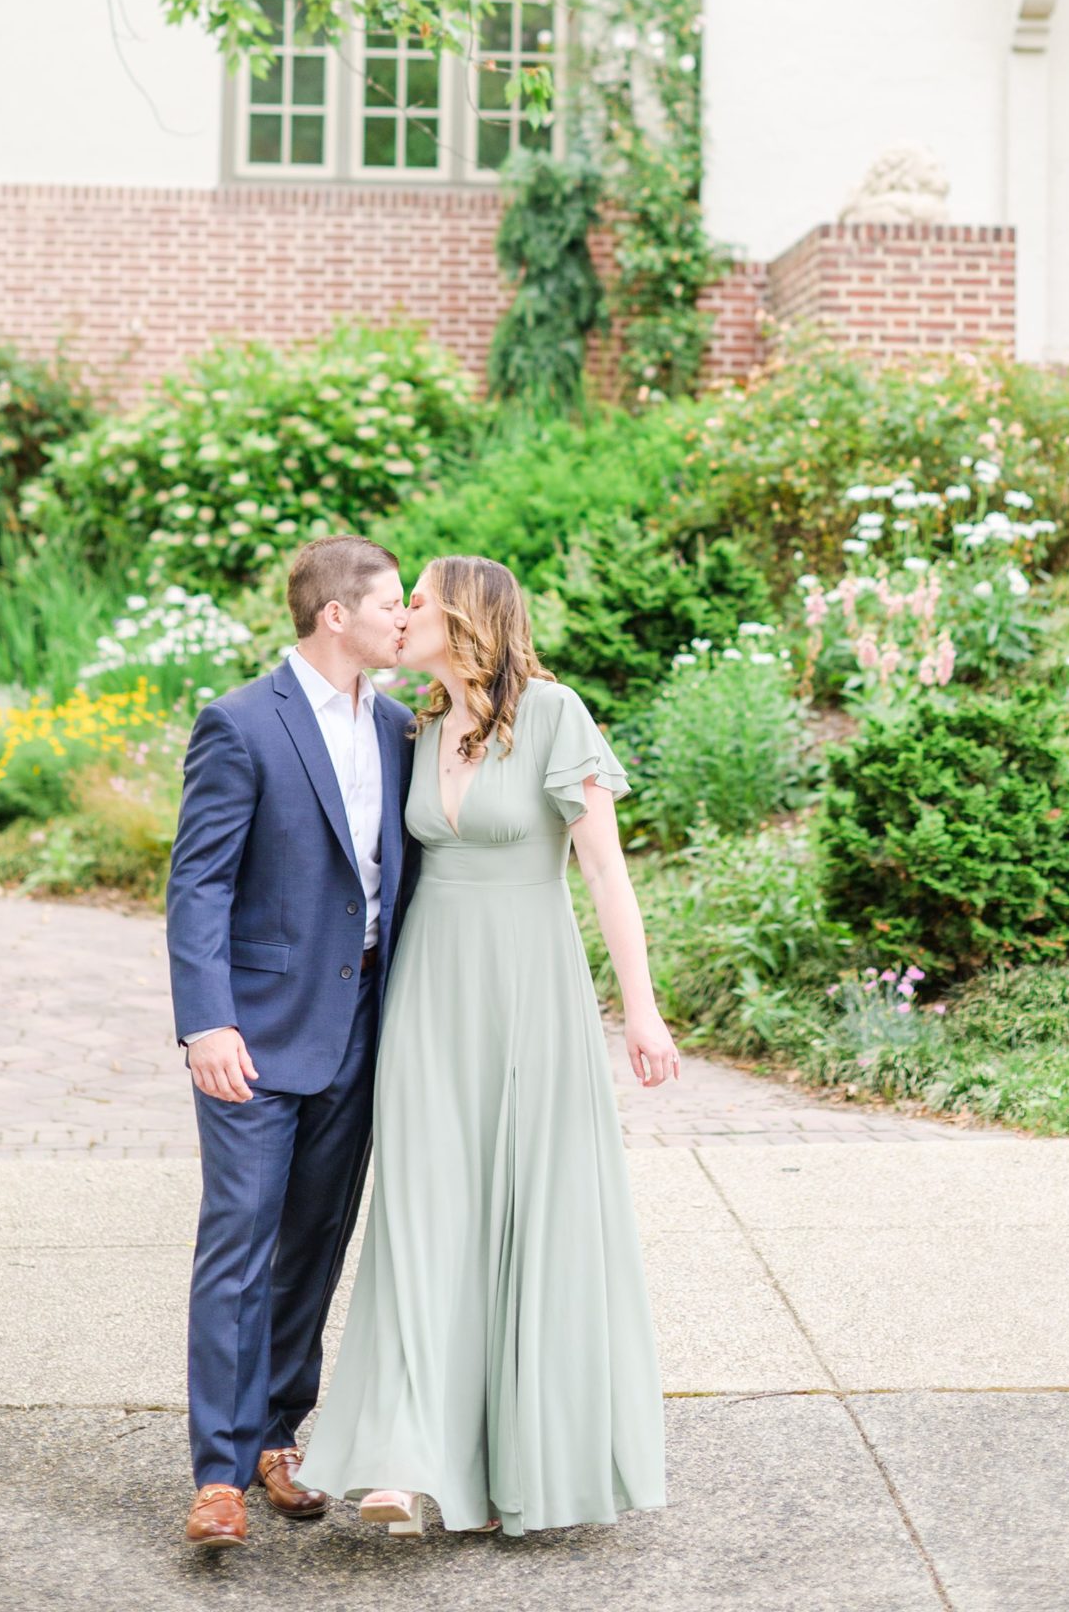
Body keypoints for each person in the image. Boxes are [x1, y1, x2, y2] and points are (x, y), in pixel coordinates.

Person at [300, 553, 677, 1540]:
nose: (402, 614)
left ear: (465, 614)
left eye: (415, 599)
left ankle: (532, 1458)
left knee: (529, 1214)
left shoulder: (556, 716)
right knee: (421, 1214)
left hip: (531, 998)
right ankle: (397, 1454)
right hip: (428, 998)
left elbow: (605, 876)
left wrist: (640, 1010)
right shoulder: (413, 725)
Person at [165, 533, 415, 1551]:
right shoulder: (239, 723)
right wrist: (206, 1019)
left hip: (361, 1026)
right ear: (335, 616)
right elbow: (198, 883)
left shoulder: (399, 724)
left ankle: (276, 1432)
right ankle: (218, 1473)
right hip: (255, 1037)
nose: (406, 617)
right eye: (392, 602)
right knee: (239, 1239)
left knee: (313, 1242)